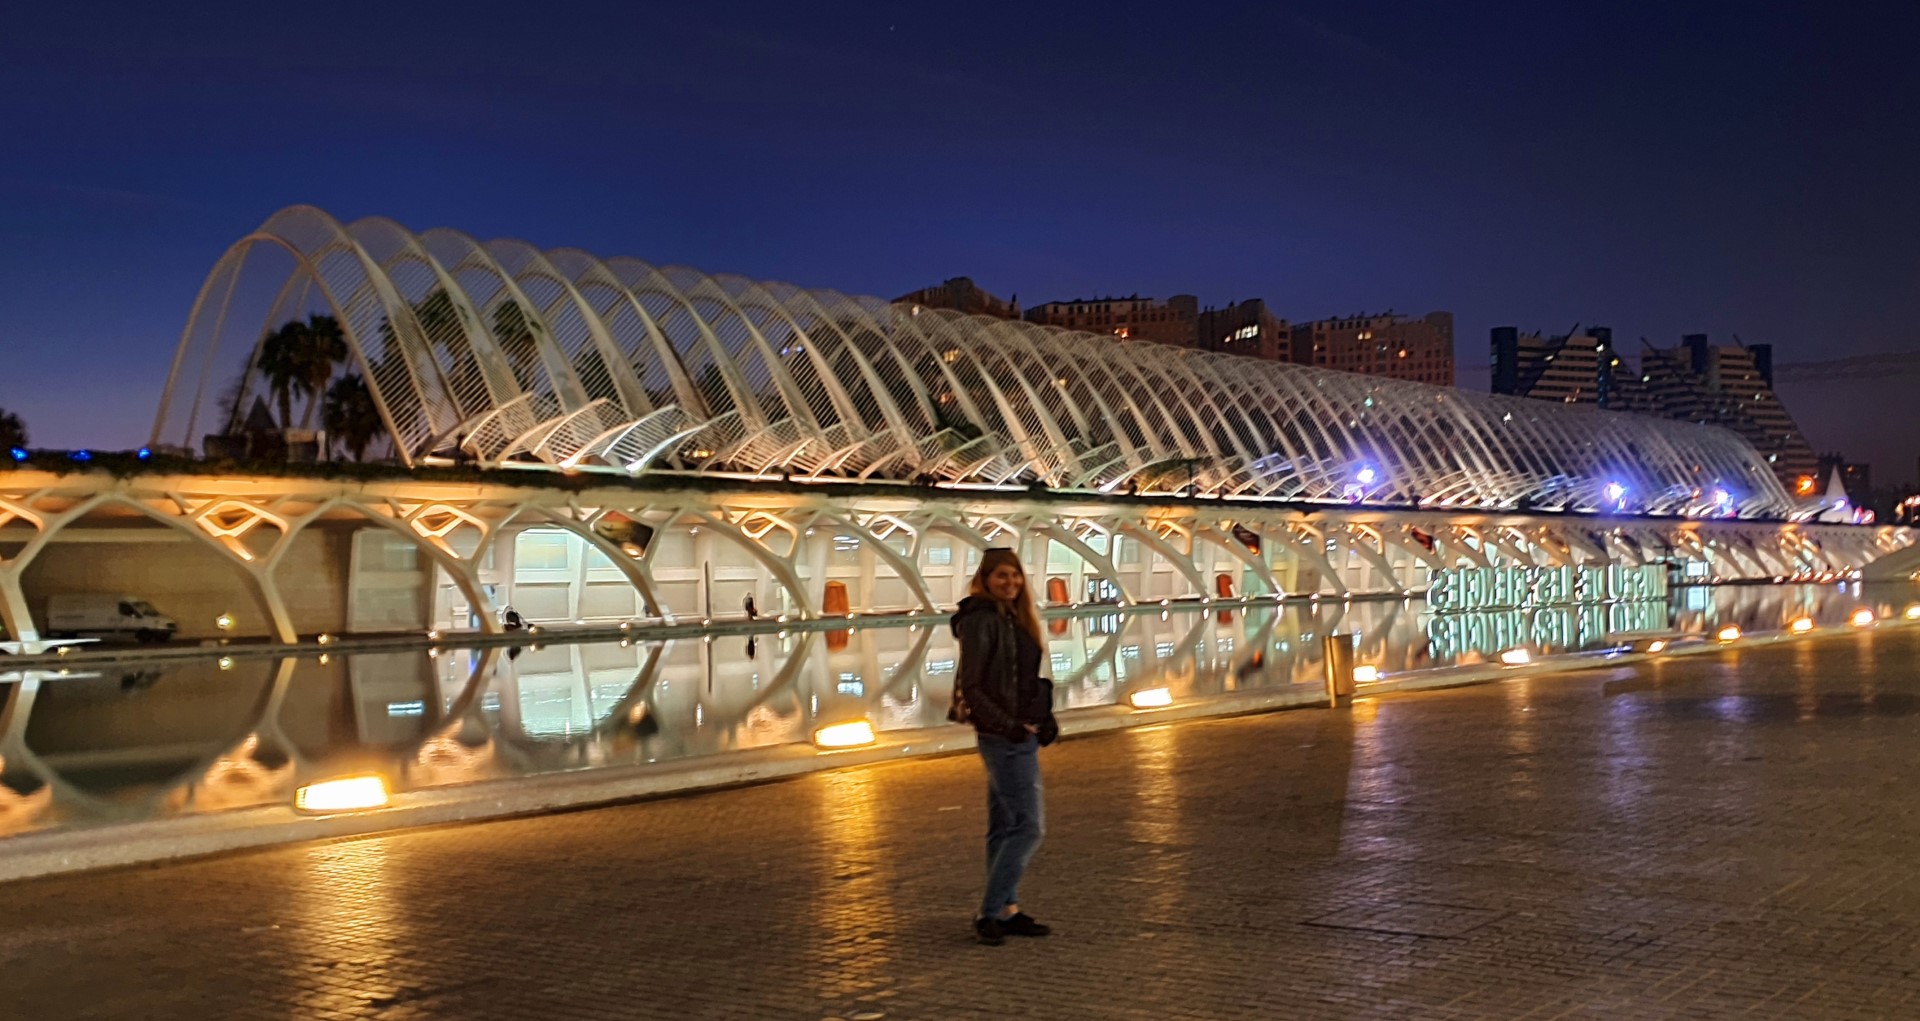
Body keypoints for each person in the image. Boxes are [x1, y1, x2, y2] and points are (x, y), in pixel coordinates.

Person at [950, 547, 1058, 946]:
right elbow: (973, 686)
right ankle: (989, 912)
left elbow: (1023, 679)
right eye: (1001, 576)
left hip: (1016, 732)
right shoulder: (981, 620)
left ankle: (1007, 910)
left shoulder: (1012, 616)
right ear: (985, 579)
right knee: (1029, 828)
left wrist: (1042, 717)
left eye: (1015, 575)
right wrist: (1009, 726)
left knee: (1004, 827)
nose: (1010, 582)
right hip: (1004, 737)